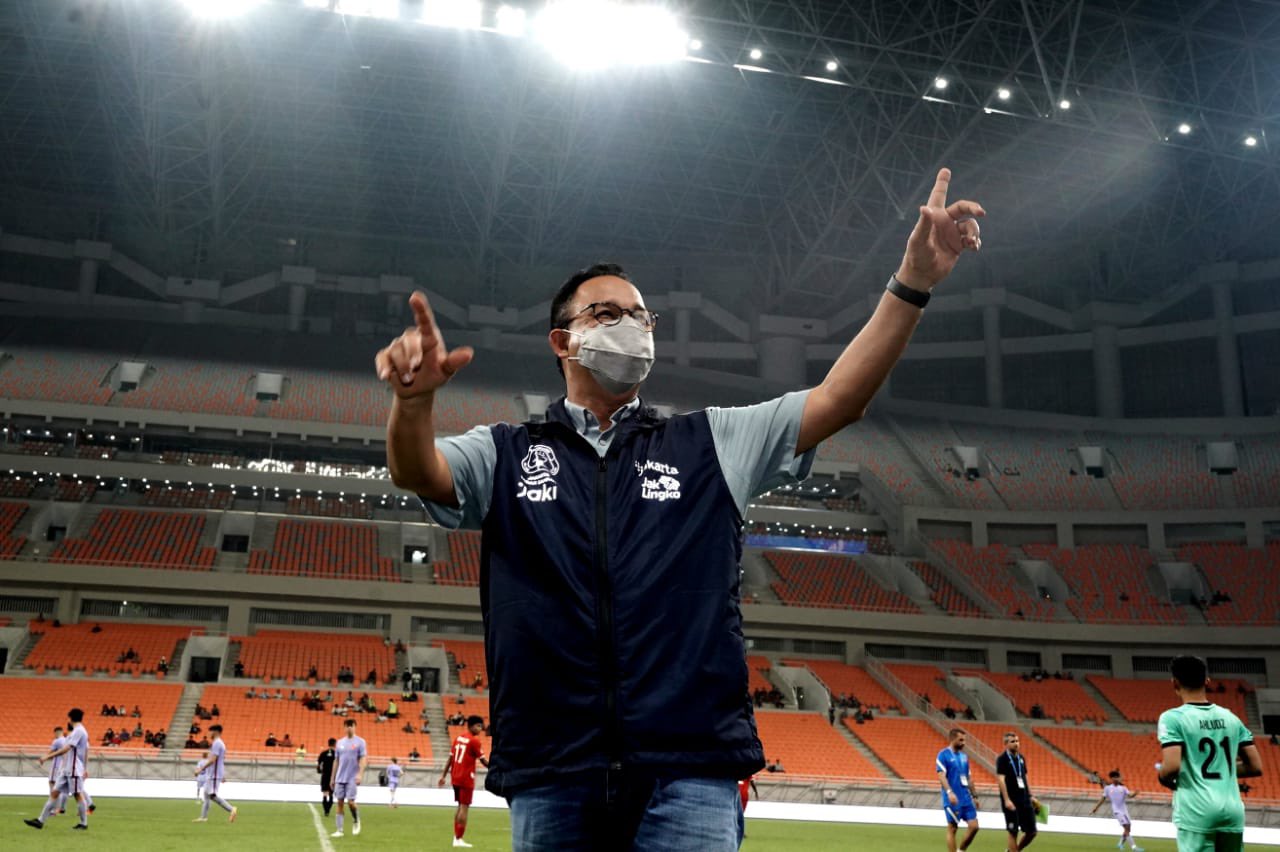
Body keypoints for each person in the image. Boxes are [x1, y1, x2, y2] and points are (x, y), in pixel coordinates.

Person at [379, 169, 983, 849]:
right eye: (607, 314)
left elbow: (840, 398)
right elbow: (417, 472)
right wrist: (412, 402)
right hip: (552, 771)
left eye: (641, 316)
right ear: (561, 341)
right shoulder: (506, 453)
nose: (631, 327)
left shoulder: (710, 442)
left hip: (691, 771)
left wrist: (912, 284)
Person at [1156, 655, 1263, 852]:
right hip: (1232, 811)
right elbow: (1255, 766)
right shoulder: (1230, 717)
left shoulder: (1172, 718)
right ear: (1207, 681)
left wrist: (1162, 776)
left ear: (1174, 682)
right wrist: (1223, 768)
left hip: (1198, 811)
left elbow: (1171, 766)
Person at [27, 707, 91, 831]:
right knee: (55, 793)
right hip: (67, 769)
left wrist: (48, 756)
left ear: (71, 718)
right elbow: (86, 750)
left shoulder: (79, 731)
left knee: (78, 795)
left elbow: (67, 748)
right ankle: (40, 821)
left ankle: (83, 824)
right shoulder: (78, 732)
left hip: (73, 768)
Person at [438, 715, 489, 848]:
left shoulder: (458, 738)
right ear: (471, 726)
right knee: (464, 807)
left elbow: (450, 759)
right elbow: (483, 761)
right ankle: (458, 838)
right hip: (466, 778)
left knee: (460, 806)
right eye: (478, 726)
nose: (481, 728)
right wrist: (496, 768)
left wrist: (443, 776)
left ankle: (456, 837)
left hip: (455, 776)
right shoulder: (474, 741)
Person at [936, 728, 981, 852]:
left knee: (974, 826)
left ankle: (961, 850)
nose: (963, 743)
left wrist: (975, 796)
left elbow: (969, 778)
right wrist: (949, 792)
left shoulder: (964, 757)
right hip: (952, 798)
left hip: (966, 798)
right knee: (952, 828)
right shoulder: (943, 754)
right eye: (961, 740)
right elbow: (941, 775)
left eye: (964, 740)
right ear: (952, 739)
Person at [995, 732, 1038, 851]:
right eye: (1012, 742)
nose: (1016, 744)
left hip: (1025, 800)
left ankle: (1013, 850)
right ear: (1005, 744)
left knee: (1032, 832)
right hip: (1012, 802)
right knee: (1013, 831)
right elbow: (1001, 780)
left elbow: (1025, 778)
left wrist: (1030, 795)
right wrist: (1007, 800)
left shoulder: (1021, 758)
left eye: (1017, 741)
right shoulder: (1002, 759)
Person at [331, 718, 367, 838]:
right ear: (344, 728)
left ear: (355, 727)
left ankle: (356, 819)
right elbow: (336, 761)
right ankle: (339, 830)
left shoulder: (360, 742)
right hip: (340, 778)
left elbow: (363, 759)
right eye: (347, 725)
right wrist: (332, 778)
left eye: (352, 725)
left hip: (352, 777)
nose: (349, 727)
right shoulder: (340, 742)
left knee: (351, 802)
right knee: (340, 802)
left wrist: (360, 774)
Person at [194, 725, 237, 824]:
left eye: (210, 732)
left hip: (213, 774)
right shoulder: (219, 743)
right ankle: (203, 817)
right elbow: (221, 760)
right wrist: (222, 775)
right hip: (214, 773)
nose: (208, 734)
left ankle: (231, 809)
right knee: (206, 795)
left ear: (216, 732)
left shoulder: (217, 743)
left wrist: (200, 769)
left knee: (212, 796)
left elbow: (213, 760)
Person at [1090, 770, 1142, 851]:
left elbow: (1130, 796)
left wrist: (1135, 793)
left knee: (1128, 829)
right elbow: (1103, 798)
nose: (1116, 778)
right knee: (1126, 828)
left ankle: (1120, 844)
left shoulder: (1123, 788)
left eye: (1117, 777)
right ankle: (1134, 847)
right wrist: (1096, 807)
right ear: (1111, 779)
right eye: (1114, 777)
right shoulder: (1107, 788)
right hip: (1117, 811)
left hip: (1125, 811)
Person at [736, 775, 759, 848]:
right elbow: (752, 782)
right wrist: (756, 792)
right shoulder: (747, 769)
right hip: (742, 795)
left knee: (737, 813)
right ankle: (739, 831)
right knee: (740, 814)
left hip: (737, 794)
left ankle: (737, 831)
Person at [317, 737, 337, 817]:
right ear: (335, 744)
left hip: (325, 776)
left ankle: (326, 811)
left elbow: (318, 764)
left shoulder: (323, 753)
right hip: (333, 776)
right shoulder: (337, 754)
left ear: (328, 744)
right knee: (331, 794)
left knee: (325, 793)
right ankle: (328, 810)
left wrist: (320, 770)